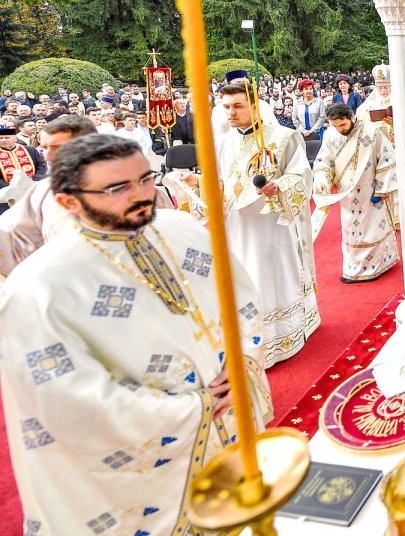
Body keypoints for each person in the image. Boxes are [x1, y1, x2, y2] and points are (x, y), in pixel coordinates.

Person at [0, 135, 271, 535]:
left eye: (146, 179)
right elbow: (65, 402)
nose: (143, 195)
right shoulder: (39, 289)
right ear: (68, 202)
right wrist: (192, 409)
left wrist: (242, 359)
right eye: (117, 188)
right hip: (153, 471)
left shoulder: (182, 230)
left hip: (232, 426)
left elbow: (241, 300)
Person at [169, 77, 319, 367]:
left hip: (271, 224)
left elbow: (302, 176)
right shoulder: (224, 142)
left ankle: (282, 333)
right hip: (235, 225)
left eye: (237, 106)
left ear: (254, 105)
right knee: (243, 277)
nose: (230, 113)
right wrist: (196, 181)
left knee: (269, 274)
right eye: (225, 107)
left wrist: (280, 187)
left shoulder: (284, 137)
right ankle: (250, 338)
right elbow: (222, 182)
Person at [0, 115, 97, 278]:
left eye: (58, 147)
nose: (48, 157)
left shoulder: (130, 181)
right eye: (45, 148)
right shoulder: (43, 190)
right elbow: (7, 231)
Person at [312, 103, 399, 282]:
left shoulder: (372, 131)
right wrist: (321, 181)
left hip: (370, 190)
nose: (339, 130)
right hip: (347, 194)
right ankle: (353, 267)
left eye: (342, 125)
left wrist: (382, 188)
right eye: (334, 126)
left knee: (373, 228)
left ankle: (377, 265)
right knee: (350, 229)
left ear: (352, 117)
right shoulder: (330, 135)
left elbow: (387, 158)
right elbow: (324, 162)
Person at [0, 125, 47, 213]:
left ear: (15, 138)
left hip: (33, 188)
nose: (3, 140)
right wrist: (9, 187)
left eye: (6, 138)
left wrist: (35, 181)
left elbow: (41, 165)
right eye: (1, 138)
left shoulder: (30, 150)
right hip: (6, 193)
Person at [357, 64, 393, 143]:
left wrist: (395, 124)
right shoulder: (369, 105)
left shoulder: (401, 102)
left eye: (386, 87)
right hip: (378, 144)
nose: (383, 91)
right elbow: (361, 123)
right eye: (379, 87)